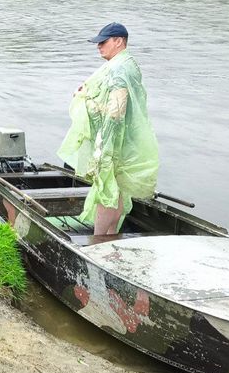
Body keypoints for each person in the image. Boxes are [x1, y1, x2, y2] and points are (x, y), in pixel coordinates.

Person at [57, 22, 159, 235]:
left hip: (113, 139)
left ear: (119, 41)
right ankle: (111, 236)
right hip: (127, 139)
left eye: (103, 42)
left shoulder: (119, 69)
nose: (99, 46)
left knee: (105, 190)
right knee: (117, 189)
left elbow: (116, 111)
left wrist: (85, 100)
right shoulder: (129, 63)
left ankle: (98, 239)